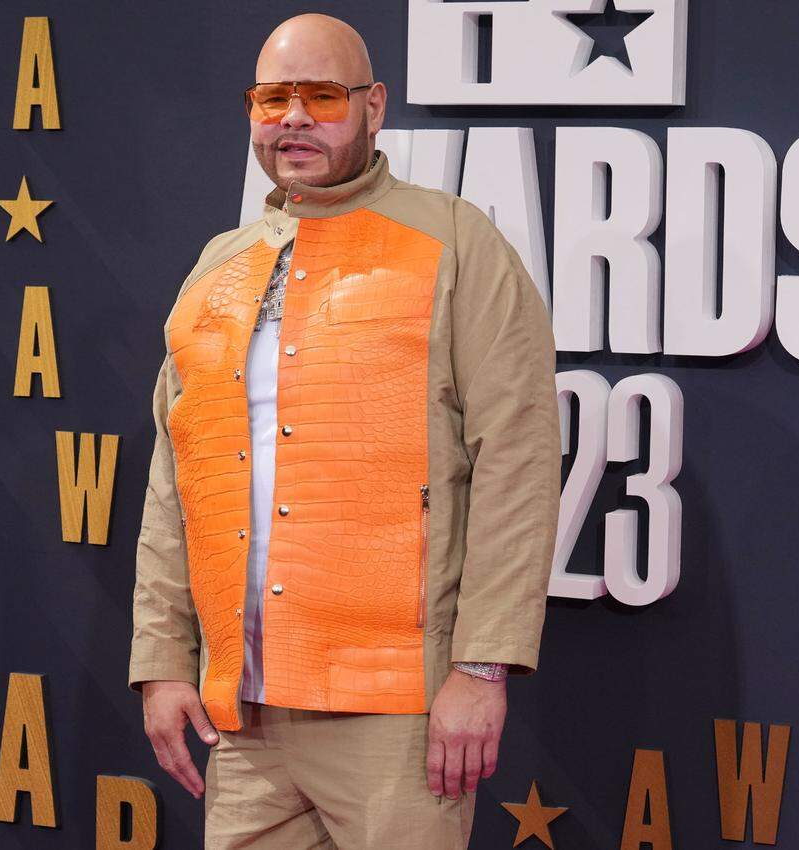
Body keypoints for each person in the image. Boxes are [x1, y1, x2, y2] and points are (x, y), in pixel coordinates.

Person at [126, 11, 561, 849]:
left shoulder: (457, 243)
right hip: (243, 719)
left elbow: (520, 457)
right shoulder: (217, 265)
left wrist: (480, 668)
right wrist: (162, 662)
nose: (293, 117)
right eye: (273, 96)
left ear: (374, 107)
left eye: (322, 96)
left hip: (401, 713)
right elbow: (173, 482)